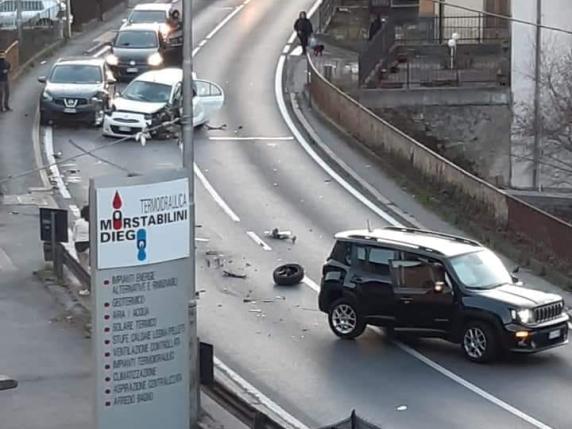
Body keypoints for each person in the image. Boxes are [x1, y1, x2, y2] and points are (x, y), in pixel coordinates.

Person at [73, 205, 90, 295]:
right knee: (89, 264)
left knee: (83, 267)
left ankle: (85, 286)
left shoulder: (78, 222)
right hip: (89, 245)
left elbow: (73, 237)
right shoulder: (92, 222)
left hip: (79, 245)